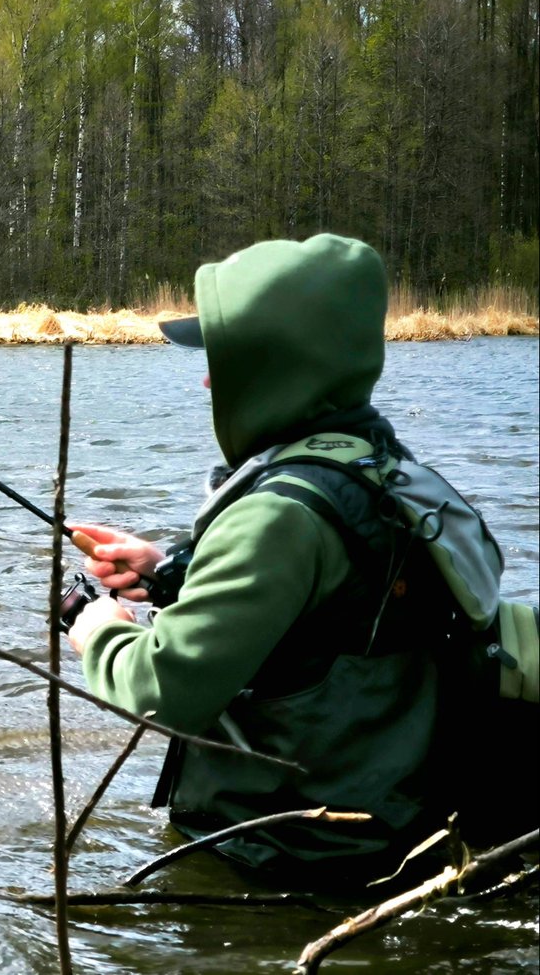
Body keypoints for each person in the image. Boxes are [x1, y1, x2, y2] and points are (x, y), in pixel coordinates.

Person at [64, 233, 532, 881]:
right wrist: (173, 570)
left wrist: (98, 630)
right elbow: (335, 617)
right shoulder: (381, 466)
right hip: (398, 828)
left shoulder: (277, 515)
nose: (207, 378)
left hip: (290, 853)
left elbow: (160, 692)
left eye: (224, 360)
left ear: (274, 368)